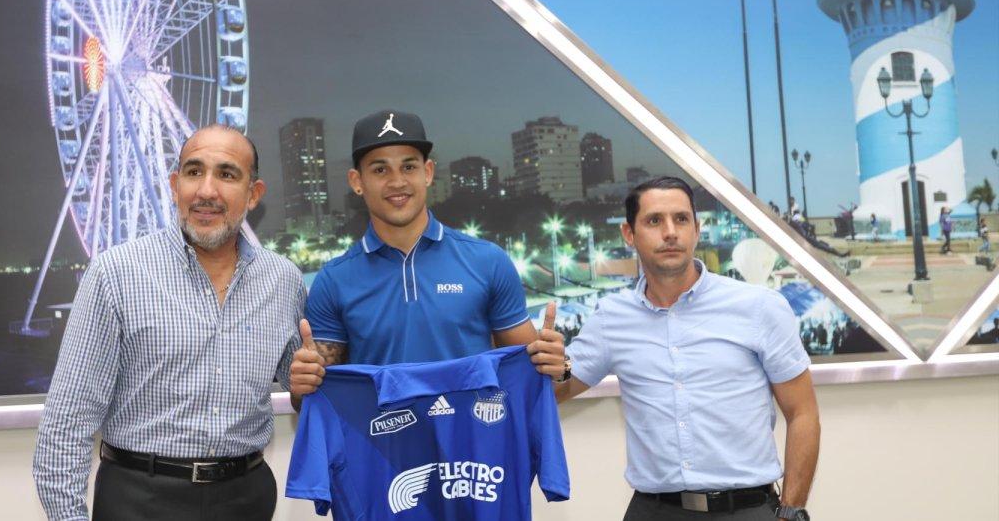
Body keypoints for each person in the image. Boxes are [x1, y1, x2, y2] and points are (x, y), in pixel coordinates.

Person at [33, 125, 306, 521]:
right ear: (176, 186)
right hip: (139, 500)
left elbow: (302, 392)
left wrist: (309, 385)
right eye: (194, 172)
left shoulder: (283, 280)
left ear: (253, 194)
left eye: (227, 174)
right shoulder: (116, 274)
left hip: (246, 499)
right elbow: (67, 421)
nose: (207, 191)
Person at [556, 177, 820, 520]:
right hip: (653, 511)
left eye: (681, 219)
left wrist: (792, 511)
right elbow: (560, 386)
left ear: (697, 229)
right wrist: (554, 362)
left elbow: (803, 413)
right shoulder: (612, 318)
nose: (670, 232)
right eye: (654, 220)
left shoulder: (759, 307)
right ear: (629, 233)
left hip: (746, 509)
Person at [289, 109, 566, 408]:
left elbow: (534, 375)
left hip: (471, 437)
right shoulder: (334, 280)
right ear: (357, 181)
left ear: (428, 173)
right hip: (380, 438)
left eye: (409, 167)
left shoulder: (488, 261)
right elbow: (312, 401)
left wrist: (559, 366)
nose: (397, 181)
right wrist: (301, 388)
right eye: (380, 170)